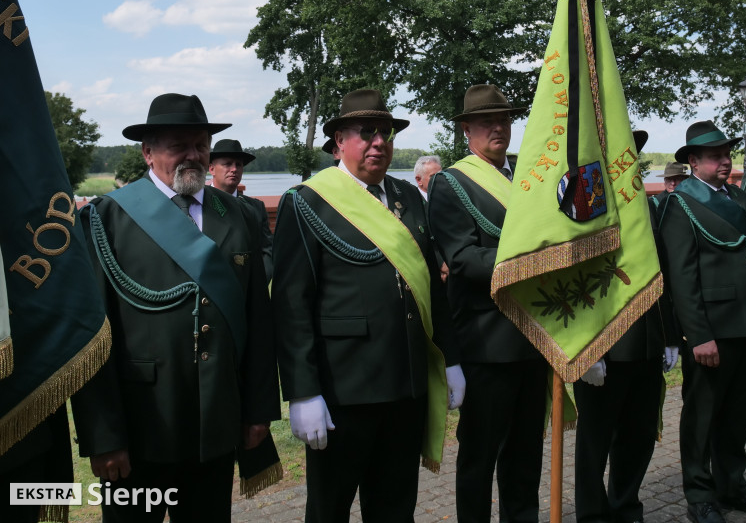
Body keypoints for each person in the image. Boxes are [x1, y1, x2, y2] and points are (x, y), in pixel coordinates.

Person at [71, 93, 279, 523]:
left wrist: (259, 411)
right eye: (177, 145)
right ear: (147, 153)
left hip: (215, 423)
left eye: (201, 144)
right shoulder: (106, 218)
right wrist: (104, 436)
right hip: (141, 426)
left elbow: (258, 320)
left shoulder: (237, 215)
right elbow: (91, 334)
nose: (193, 155)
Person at [272, 89, 458, 523]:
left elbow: (430, 285)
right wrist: (303, 391)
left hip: (405, 384)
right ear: (338, 141)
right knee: (329, 509)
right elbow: (291, 304)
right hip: (344, 392)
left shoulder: (407, 197)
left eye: (385, 132)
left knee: (395, 509)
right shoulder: (307, 201)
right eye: (366, 132)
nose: (379, 141)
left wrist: (451, 358)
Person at [428, 84, 546, 523]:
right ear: (466, 130)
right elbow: (462, 258)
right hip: (486, 341)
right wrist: (536, 260)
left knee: (525, 455)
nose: (499, 127)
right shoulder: (450, 183)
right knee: (479, 457)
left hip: (536, 335)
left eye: (505, 119)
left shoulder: (531, 177)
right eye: (486, 121)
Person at [657, 121, 746, 523]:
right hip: (714, 331)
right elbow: (682, 277)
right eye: (715, 156)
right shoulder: (681, 204)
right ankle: (700, 497)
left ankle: (733, 486)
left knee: (737, 416)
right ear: (693, 162)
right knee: (702, 418)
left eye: (727, 153)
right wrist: (698, 335)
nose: (725, 161)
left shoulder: (740, 199)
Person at [574, 130, 681, 523]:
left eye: (629, 151)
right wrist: (586, 348)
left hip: (649, 341)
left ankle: (626, 507)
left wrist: (669, 336)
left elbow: (662, 271)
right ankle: (590, 514)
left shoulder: (645, 205)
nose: (625, 159)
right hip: (605, 346)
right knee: (594, 442)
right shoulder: (583, 205)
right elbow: (575, 279)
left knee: (637, 438)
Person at [208, 138, 274, 283]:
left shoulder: (256, 208)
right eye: (227, 164)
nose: (234, 169)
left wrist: (258, 280)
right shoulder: (198, 204)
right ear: (211, 169)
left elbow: (267, 251)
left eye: (239, 164)